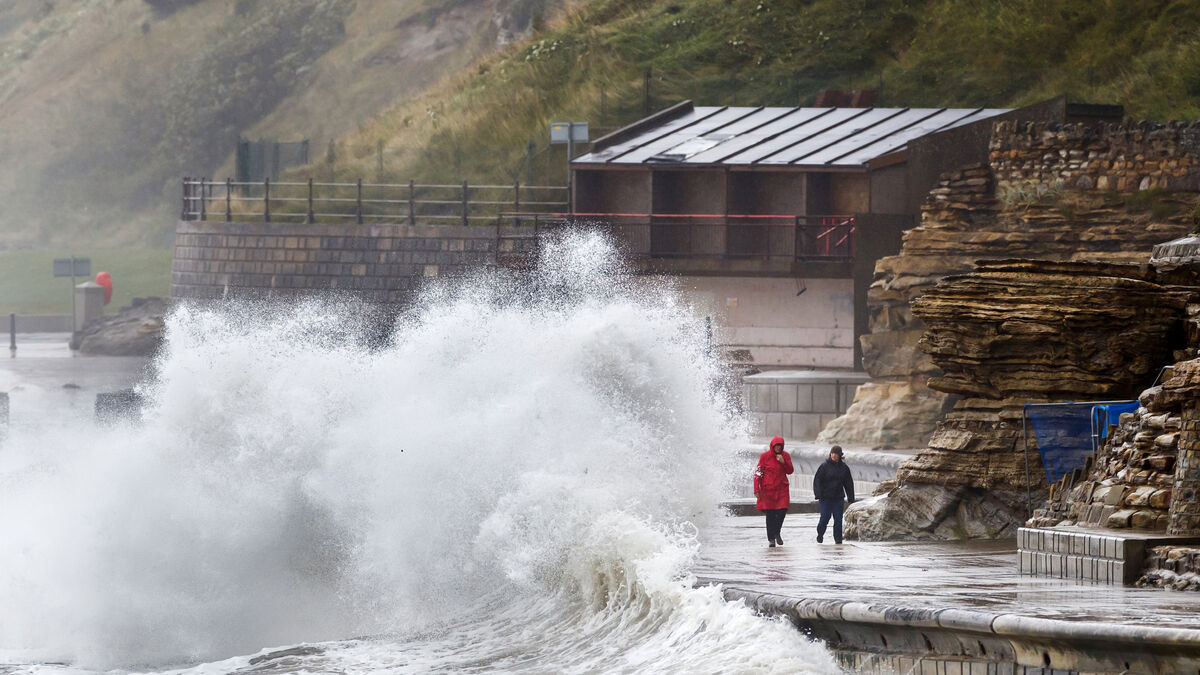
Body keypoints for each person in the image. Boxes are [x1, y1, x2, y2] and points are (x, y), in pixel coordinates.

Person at [753, 435, 793, 548]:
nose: (778, 448)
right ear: (772, 446)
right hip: (768, 490)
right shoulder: (764, 456)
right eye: (776, 446)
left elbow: (790, 471)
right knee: (770, 515)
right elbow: (758, 473)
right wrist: (756, 489)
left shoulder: (786, 456)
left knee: (782, 511)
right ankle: (771, 540)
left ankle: (776, 532)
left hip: (782, 490)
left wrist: (783, 462)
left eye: (780, 446)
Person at [813, 445, 854, 544]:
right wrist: (818, 494)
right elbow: (817, 480)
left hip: (838, 498)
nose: (834, 455)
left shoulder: (844, 468)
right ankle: (820, 534)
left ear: (840, 455)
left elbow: (848, 483)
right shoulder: (824, 466)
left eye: (836, 454)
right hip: (825, 498)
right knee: (824, 518)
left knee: (838, 520)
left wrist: (851, 497)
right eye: (832, 453)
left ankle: (838, 539)